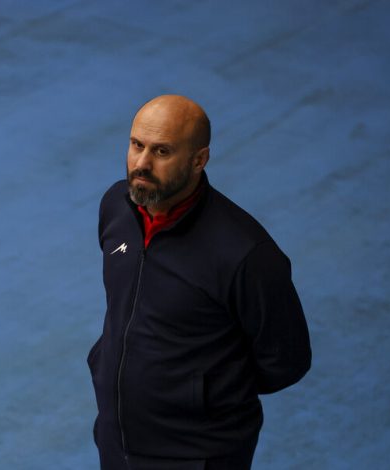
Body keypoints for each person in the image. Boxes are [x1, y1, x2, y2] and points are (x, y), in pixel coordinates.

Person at [87, 95, 311, 470]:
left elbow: (286, 361)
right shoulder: (116, 207)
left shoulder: (245, 253)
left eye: (161, 151)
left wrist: (199, 394)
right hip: (117, 437)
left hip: (197, 454)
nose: (141, 164)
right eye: (137, 145)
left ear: (198, 160)